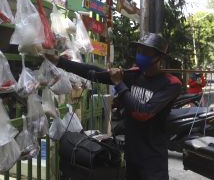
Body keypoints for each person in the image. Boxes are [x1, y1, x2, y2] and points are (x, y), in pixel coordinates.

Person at [44, 33, 182, 180]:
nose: (140, 55)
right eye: (139, 51)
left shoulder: (171, 84)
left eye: (146, 52)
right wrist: (59, 62)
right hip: (132, 155)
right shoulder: (134, 74)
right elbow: (95, 72)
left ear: (158, 57)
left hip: (153, 160)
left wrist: (119, 83)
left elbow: (143, 112)